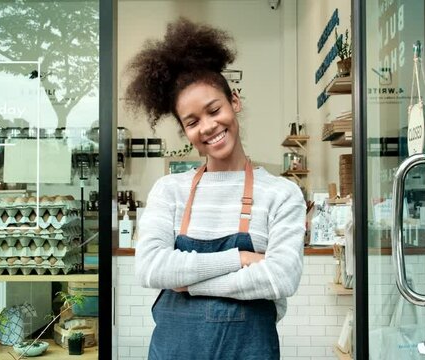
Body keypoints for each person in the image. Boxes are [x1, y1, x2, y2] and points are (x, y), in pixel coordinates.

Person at [127, 18, 306, 360]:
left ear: (234, 101)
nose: (208, 127)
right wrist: (238, 258)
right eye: (192, 122)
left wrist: (186, 281)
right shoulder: (169, 190)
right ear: (185, 131)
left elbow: (280, 279)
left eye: (214, 110)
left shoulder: (281, 194)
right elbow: (151, 268)